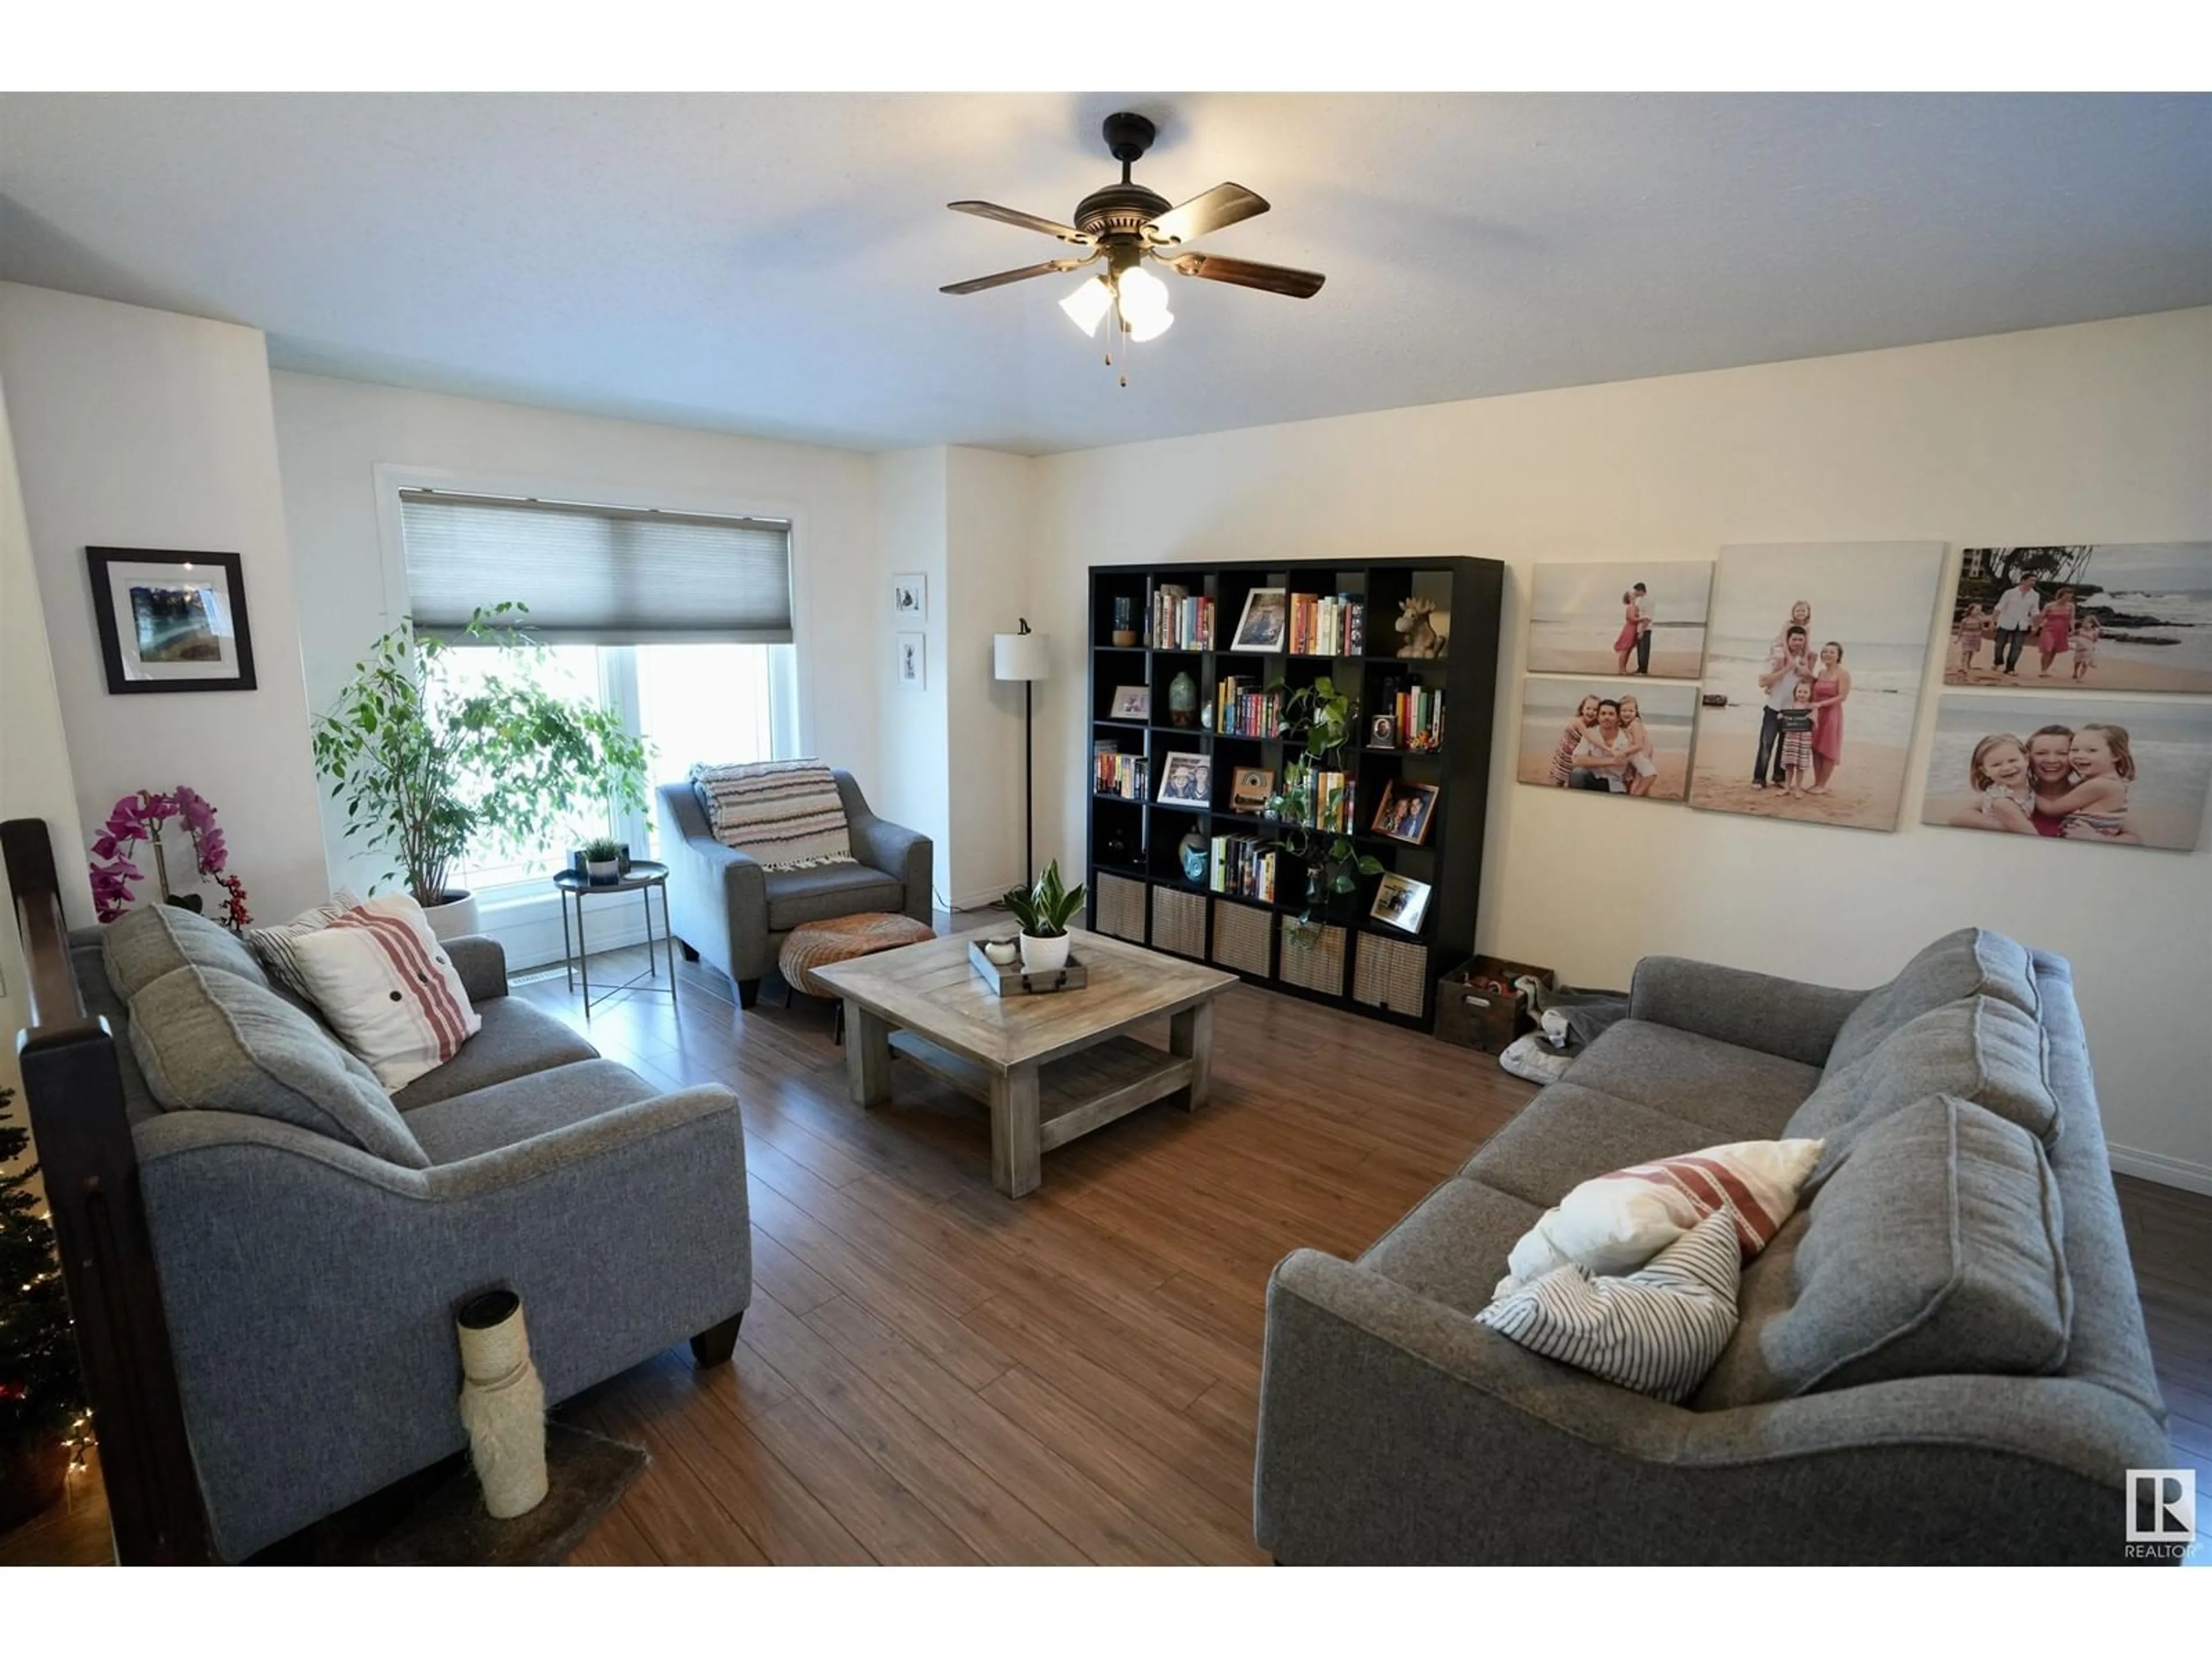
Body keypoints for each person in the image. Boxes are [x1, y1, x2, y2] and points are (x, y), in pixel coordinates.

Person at [2037, 723, 2133, 838]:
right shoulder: (2114, 781)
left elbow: (2051, 809)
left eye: (2092, 751)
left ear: (2116, 755)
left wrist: (2029, 792)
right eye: (2074, 750)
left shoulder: (2100, 785)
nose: (2080, 755)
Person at [1752, 624, 1812, 789]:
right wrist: (1787, 669)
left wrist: (1806, 673)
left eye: (1801, 640)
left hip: (1793, 711)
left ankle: (1779, 777)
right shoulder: (1776, 658)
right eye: (1795, 639)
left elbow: (1808, 684)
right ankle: (1759, 779)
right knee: (1766, 745)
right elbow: (1762, 682)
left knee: (1785, 747)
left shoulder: (1803, 662)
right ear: (1788, 640)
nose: (1798, 642)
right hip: (1773, 708)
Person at [1968, 734, 2038, 832]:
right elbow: (2028, 832)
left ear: (2026, 759)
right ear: (1985, 771)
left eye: (2012, 761)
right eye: (1996, 765)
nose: (2007, 768)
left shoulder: (2030, 787)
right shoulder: (2001, 800)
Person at [1808, 641, 1851, 794]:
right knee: (1816, 748)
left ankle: (1823, 785)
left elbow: (1842, 696)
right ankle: (1816, 782)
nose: (1828, 654)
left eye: (1832, 652)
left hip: (1832, 713)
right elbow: (1814, 693)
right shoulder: (1821, 673)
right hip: (1818, 714)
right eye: (1825, 652)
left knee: (1828, 748)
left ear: (1839, 656)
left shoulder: (1843, 674)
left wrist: (1822, 704)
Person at [1570, 699, 1633, 793]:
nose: (1606, 717)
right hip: (1591, 778)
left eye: (1611, 714)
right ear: (1598, 717)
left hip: (1614, 784)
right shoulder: (1591, 734)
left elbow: (1638, 769)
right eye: (1603, 714)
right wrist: (1611, 761)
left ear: (1618, 718)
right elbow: (1577, 760)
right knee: (1577, 773)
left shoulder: (1626, 739)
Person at [1990, 570, 2041, 676]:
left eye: (2035, 581)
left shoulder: (2035, 595)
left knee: (2017, 647)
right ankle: (1998, 662)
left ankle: (2010, 668)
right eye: (2031, 580)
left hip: (2022, 624)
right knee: (2000, 645)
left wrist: (2036, 625)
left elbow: (2035, 611)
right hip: (2006, 621)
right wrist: (1993, 621)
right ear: (2023, 581)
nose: (2033, 583)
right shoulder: (2010, 593)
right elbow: (1999, 607)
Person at [1775, 680, 1817, 797]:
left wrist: (1812, 718)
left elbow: (1815, 727)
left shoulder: (1811, 708)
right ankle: (1787, 787)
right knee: (1789, 764)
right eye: (1799, 691)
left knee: (1800, 766)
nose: (1802, 694)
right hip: (1791, 738)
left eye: (1805, 692)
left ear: (1810, 694)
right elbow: (1784, 719)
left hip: (1804, 739)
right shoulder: (1791, 705)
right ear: (1795, 692)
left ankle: (1798, 788)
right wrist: (1781, 716)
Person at [1547, 694, 1600, 786]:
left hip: (1574, 754)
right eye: (1588, 709)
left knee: (1571, 778)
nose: (1591, 712)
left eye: (1595, 710)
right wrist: (1609, 749)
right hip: (1565, 754)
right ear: (1582, 709)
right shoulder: (1578, 722)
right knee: (1559, 780)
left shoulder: (1593, 725)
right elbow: (1591, 739)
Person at [1618, 694, 1660, 797]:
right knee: (1631, 778)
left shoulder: (1635, 724)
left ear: (1636, 712)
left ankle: (1635, 796)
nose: (1627, 714)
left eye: (1631, 711)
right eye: (1624, 711)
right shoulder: (1626, 725)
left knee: (1647, 775)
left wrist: (1623, 752)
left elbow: (1639, 745)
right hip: (1635, 754)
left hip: (1639, 753)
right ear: (1619, 712)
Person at [2036, 585, 2078, 678]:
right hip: (2049, 629)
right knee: (2048, 649)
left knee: (2054, 651)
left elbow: (2072, 619)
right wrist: (2037, 626)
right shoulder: (2050, 605)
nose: (2069, 598)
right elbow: (2042, 616)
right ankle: (2042, 670)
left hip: (2062, 630)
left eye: (2070, 597)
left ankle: (2046, 669)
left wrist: (2073, 629)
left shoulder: (2071, 606)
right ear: (2061, 595)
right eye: (2067, 596)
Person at [1953, 603, 1989, 676]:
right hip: (1966, 637)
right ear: (1971, 610)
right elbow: (1961, 630)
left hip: (1976, 637)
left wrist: (1989, 629)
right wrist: (1958, 639)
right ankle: (1963, 666)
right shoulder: (1965, 620)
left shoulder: (1980, 620)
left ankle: (1968, 663)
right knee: (1965, 651)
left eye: (1980, 610)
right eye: (1977, 610)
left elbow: (1982, 629)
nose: (1978, 611)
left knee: (1971, 652)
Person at [1612, 592, 1639, 675]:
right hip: (1630, 629)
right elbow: (1632, 619)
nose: (1634, 594)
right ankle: (1621, 669)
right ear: (1629, 598)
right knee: (1625, 650)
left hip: (1634, 629)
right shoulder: (1630, 607)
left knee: (1629, 650)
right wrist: (1643, 619)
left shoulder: (1635, 607)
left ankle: (1624, 669)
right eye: (1632, 594)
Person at [1631, 582, 1654, 675]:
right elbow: (1636, 611)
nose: (1635, 593)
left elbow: (1648, 618)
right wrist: (1633, 600)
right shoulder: (1641, 601)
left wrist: (1642, 631)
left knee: (1645, 650)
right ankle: (1640, 669)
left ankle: (1644, 670)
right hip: (1640, 628)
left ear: (1641, 590)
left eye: (1636, 591)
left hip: (1646, 629)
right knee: (1640, 650)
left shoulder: (1648, 601)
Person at [2071, 613, 2102, 681]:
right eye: (2084, 621)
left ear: (2092, 624)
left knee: (2085, 664)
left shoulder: (2094, 632)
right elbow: (2072, 634)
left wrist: (2095, 636)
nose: (2084, 623)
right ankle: (2075, 672)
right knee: (2077, 662)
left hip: (2088, 650)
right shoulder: (2080, 630)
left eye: (2087, 622)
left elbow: (2095, 640)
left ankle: (2081, 677)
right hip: (2079, 649)